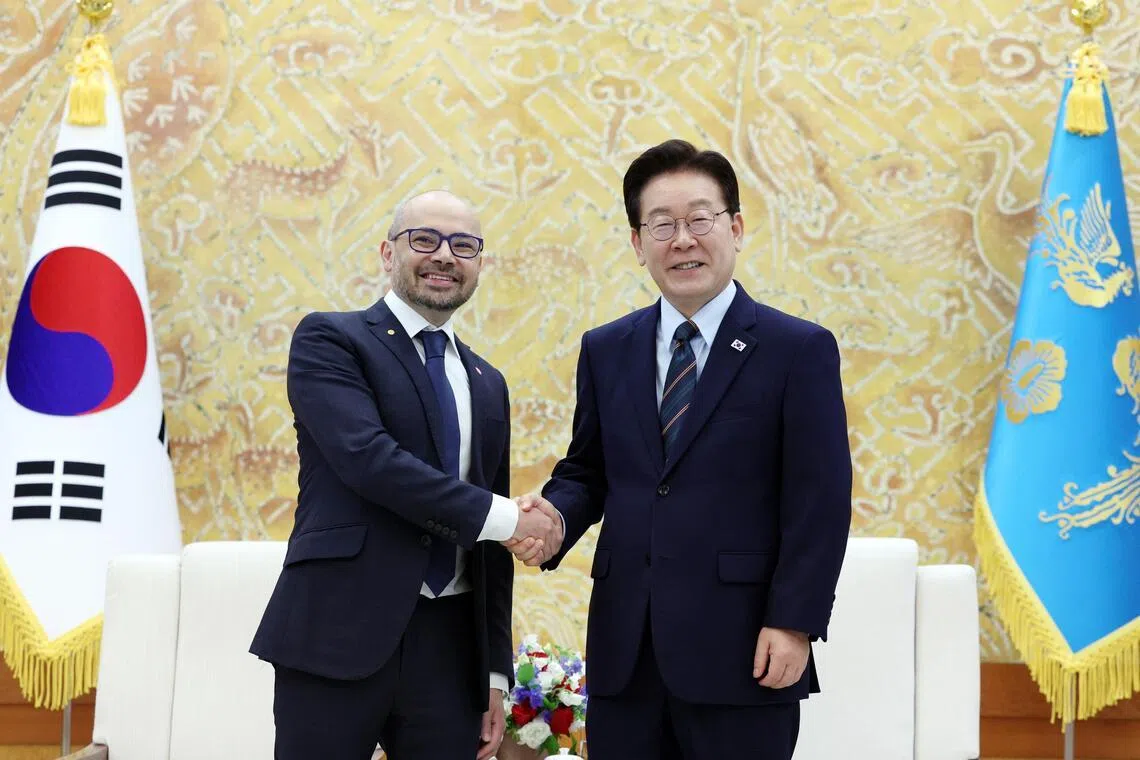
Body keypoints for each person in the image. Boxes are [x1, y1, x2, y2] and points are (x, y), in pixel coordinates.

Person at [510, 140, 853, 759]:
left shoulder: (796, 349)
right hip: (626, 652)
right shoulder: (606, 348)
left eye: (700, 219)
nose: (683, 239)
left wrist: (794, 620)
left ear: (736, 228)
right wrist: (556, 517)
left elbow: (819, 499)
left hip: (745, 648)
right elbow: (589, 468)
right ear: (638, 244)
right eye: (662, 225)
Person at [250, 190, 560, 760]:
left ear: (479, 264)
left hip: (448, 650)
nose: (444, 255)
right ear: (387, 253)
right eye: (425, 239)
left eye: (463, 245)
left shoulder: (487, 380)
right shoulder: (331, 339)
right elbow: (370, 459)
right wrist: (510, 517)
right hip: (338, 630)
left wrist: (494, 671)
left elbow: (489, 548)